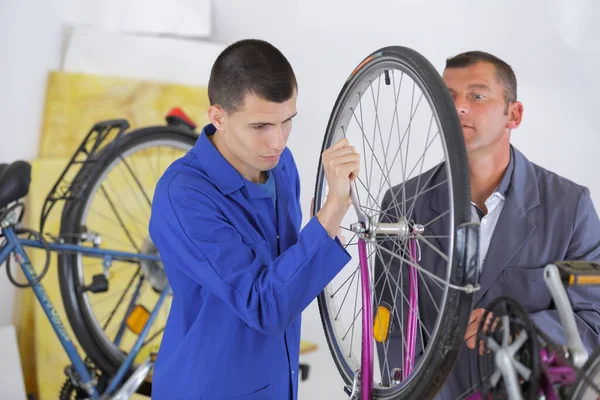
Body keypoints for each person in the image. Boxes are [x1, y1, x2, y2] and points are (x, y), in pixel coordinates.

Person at [377, 50, 600, 399]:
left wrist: (516, 330)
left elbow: (593, 323)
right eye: (448, 97)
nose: (459, 107)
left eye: (477, 96)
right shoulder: (402, 204)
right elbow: (389, 326)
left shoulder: (570, 208)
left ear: (514, 114)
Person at [148, 39, 359, 399]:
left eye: (287, 121)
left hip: (275, 382)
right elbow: (264, 305)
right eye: (260, 126)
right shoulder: (183, 195)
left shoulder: (281, 167)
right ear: (218, 117)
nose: (277, 141)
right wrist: (331, 212)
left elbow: (287, 280)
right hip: (208, 388)